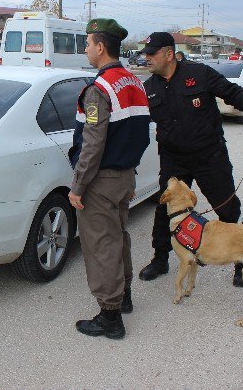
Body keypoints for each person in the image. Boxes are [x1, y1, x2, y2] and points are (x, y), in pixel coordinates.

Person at [138, 32, 243, 287]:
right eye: (146, 53)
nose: (147, 58)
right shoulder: (149, 88)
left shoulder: (198, 73)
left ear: (168, 53)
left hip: (209, 156)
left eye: (151, 53)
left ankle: (240, 264)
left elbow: (229, 90)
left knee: (227, 208)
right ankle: (160, 259)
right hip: (174, 159)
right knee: (165, 209)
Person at [68, 19, 150, 339]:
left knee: (101, 245)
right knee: (118, 238)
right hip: (124, 176)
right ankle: (124, 295)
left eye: (88, 43)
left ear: (101, 47)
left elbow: (92, 144)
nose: (86, 49)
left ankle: (110, 316)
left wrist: (78, 186)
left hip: (100, 181)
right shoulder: (134, 82)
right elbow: (142, 134)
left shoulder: (98, 89)